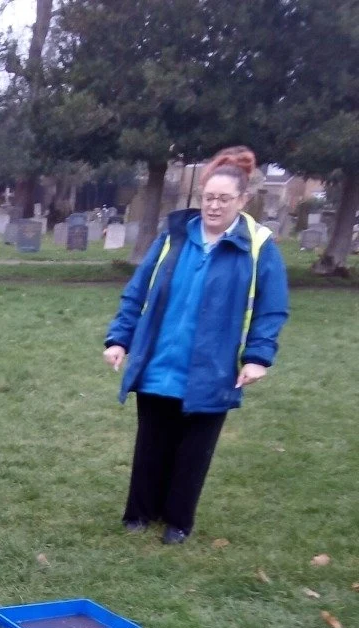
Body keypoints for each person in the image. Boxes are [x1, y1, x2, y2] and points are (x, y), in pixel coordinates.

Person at [103, 146, 289, 544]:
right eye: (209, 197)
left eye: (224, 199)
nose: (214, 206)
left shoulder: (258, 246)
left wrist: (258, 357)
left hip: (212, 368)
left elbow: (272, 308)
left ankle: (177, 521)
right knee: (151, 443)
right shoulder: (174, 236)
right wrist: (119, 338)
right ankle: (140, 513)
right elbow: (137, 291)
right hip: (160, 361)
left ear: (242, 200)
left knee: (193, 451)